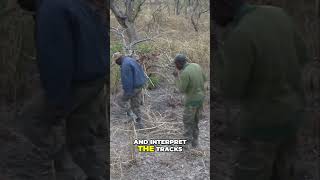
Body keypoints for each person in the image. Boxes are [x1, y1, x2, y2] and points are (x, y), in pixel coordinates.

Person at [213, 0, 310, 179]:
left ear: (223, 7)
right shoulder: (277, 14)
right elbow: (303, 56)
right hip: (293, 116)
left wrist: (223, 62)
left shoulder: (240, 36)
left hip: (262, 126)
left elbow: (231, 90)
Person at [18, 0, 108, 179]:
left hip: (78, 82)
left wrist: (56, 101)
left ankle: (54, 170)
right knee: (81, 140)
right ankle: (92, 173)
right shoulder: (76, 4)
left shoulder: (50, 9)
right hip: (95, 79)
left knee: (31, 119)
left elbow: (56, 60)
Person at [173, 54, 206, 148]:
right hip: (201, 99)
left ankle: (186, 144)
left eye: (176, 64)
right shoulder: (196, 65)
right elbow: (205, 79)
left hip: (191, 101)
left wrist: (176, 77)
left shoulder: (185, 73)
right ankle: (195, 142)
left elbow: (181, 89)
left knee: (187, 121)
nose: (175, 66)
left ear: (179, 63)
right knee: (196, 120)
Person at [113, 52, 147, 129]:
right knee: (135, 105)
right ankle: (139, 123)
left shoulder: (125, 65)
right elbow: (141, 71)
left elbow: (127, 81)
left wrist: (127, 92)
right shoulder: (131, 60)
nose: (116, 63)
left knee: (120, 100)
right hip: (140, 85)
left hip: (133, 87)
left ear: (118, 59)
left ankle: (132, 116)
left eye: (116, 61)